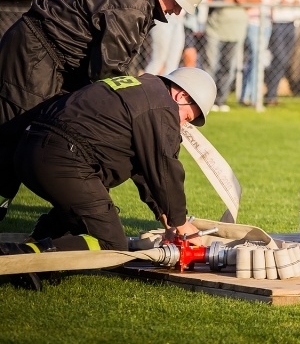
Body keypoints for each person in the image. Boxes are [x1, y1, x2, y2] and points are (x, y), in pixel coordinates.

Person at [0, 0, 211, 221]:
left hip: (53, 58)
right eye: (177, 2)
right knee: (12, 135)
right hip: (34, 57)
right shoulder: (132, 4)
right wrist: (137, 115)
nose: (177, 11)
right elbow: (107, 74)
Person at [0, 67, 214, 290]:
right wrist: (180, 223)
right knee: (110, 244)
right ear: (182, 96)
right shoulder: (161, 106)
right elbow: (164, 167)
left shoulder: (142, 89)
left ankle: (36, 245)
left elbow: (145, 170)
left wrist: (169, 223)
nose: (182, 126)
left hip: (30, 149)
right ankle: (23, 256)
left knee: (88, 211)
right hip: (62, 159)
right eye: (187, 117)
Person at [205, 0, 261, 111]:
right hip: (216, 28)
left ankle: (221, 101)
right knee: (211, 66)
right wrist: (244, 0)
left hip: (237, 30)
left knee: (228, 68)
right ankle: (207, 100)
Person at [240, 0, 277, 106]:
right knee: (256, 57)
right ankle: (253, 96)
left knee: (258, 58)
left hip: (266, 21)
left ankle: (247, 94)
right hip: (254, 21)